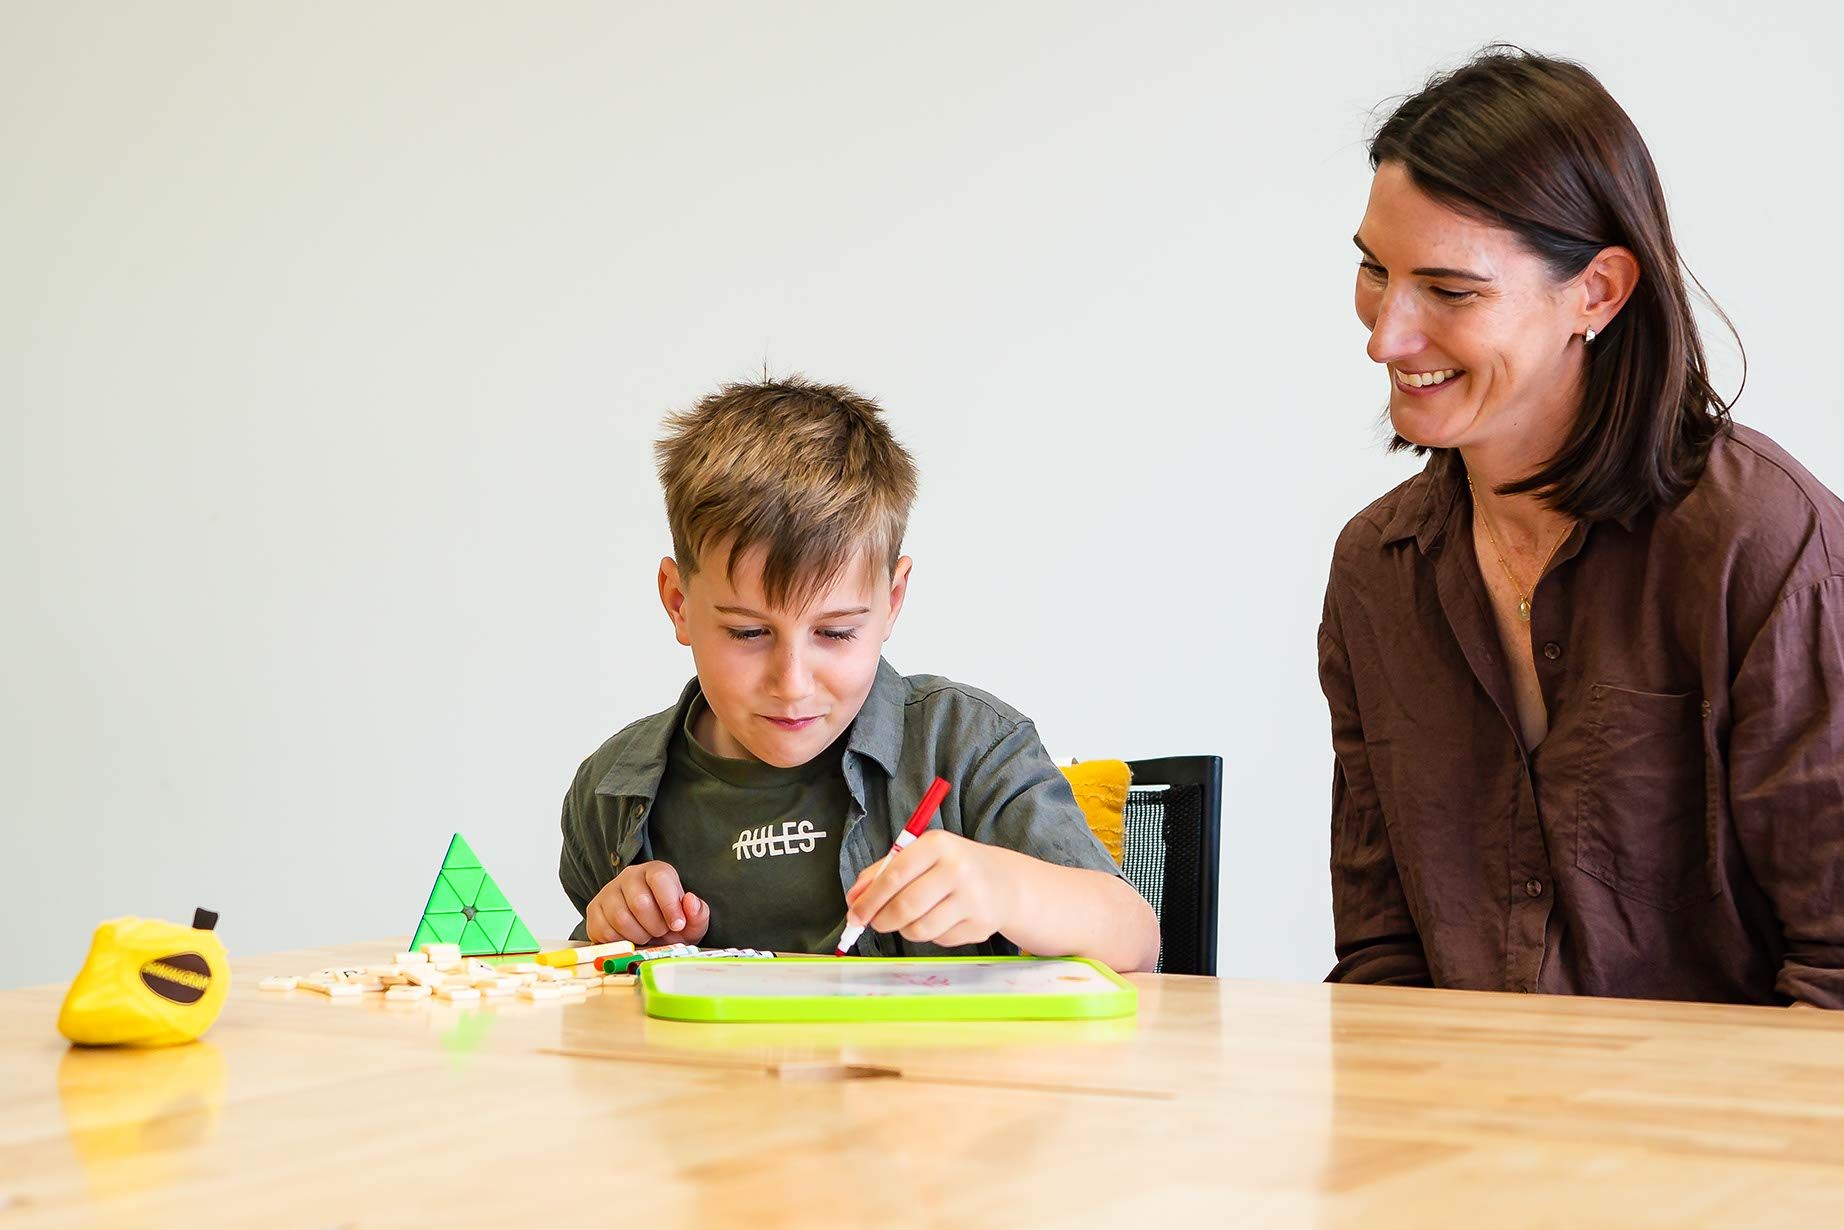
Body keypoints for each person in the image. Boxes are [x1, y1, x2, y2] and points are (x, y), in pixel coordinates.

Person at [1322, 48, 1844, 1006]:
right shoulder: (1375, 568)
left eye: (1450, 290)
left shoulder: (1764, 542)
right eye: (1373, 270)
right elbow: (1383, 962)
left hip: (1739, 1143)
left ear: (1596, 293)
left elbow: (1840, 976)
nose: (1385, 335)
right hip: (1459, 1135)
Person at [559, 376, 1160, 971]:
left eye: (836, 632)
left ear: (893, 601)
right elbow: (585, 1000)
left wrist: (1008, 888)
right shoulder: (610, 792)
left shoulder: (967, 745)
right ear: (678, 602)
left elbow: (1135, 937)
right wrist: (614, 942)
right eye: (748, 633)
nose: (792, 683)